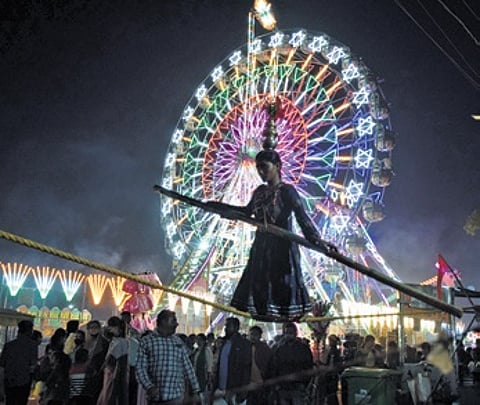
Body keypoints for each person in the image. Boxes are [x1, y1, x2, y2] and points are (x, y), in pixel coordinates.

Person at [210, 150, 335, 321]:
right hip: (261, 246)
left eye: (264, 167)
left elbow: (302, 218)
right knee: (260, 286)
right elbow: (247, 212)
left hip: (282, 247)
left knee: (281, 286)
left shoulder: (287, 191)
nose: (260, 171)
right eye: (258, 167)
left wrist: (318, 241)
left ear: (277, 166)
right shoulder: (259, 191)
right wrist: (220, 207)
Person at [136, 309, 201, 405]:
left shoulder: (178, 342)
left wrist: (196, 390)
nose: (176, 324)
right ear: (163, 322)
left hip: (176, 397)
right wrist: (149, 386)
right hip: (155, 398)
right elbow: (140, 368)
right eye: (173, 321)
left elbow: (188, 367)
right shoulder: (147, 341)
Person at [268, 322, 314, 405]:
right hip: (283, 386)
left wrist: (305, 383)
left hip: (298, 385)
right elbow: (275, 366)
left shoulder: (303, 349)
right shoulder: (280, 348)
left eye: (290, 333)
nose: (288, 335)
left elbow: (309, 366)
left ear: (295, 333)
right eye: (287, 333)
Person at [212, 317, 252, 405]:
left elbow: (246, 370)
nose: (225, 328)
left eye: (228, 326)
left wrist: (242, 393)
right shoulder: (224, 343)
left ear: (236, 328)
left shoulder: (244, 344)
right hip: (221, 390)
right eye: (225, 326)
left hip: (235, 392)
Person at [0, 319, 38, 405]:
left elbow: (2, 366)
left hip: (9, 382)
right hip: (24, 382)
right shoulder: (32, 345)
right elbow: (32, 366)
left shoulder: (8, 345)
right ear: (29, 331)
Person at [96, 316, 129, 405]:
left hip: (114, 374)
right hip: (109, 373)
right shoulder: (113, 341)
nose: (109, 329)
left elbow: (120, 361)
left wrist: (115, 375)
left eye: (111, 327)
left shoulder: (121, 342)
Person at [82, 320, 109, 402]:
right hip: (85, 373)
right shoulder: (85, 342)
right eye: (91, 328)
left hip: (99, 373)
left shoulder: (104, 342)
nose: (93, 329)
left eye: (95, 327)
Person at [247, 325, 273, 405]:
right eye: (251, 334)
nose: (253, 337)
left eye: (255, 335)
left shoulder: (265, 349)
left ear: (260, 336)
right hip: (247, 384)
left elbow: (270, 367)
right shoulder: (245, 348)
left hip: (261, 384)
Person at [192, 334, 213, 405]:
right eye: (197, 340)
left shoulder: (207, 350)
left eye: (200, 340)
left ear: (204, 341)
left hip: (203, 376)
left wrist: (209, 378)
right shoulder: (196, 351)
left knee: (203, 397)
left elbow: (209, 365)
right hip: (196, 375)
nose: (198, 341)